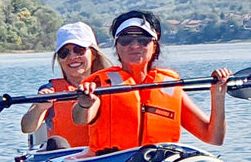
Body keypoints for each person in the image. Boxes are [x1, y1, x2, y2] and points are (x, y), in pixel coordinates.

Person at [72, 9, 230, 153]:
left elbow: (214, 138)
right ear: (117, 47)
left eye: (143, 40)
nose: (134, 46)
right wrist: (84, 103)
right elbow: (80, 119)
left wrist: (218, 96)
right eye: (126, 40)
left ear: (154, 46)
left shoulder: (169, 85)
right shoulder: (100, 84)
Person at [20, 22, 110, 150]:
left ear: (93, 54)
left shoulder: (111, 84)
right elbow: (27, 128)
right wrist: (40, 108)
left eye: (79, 50)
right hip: (64, 161)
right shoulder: (50, 89)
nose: (72, 57)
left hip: (108, 157)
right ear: (59, 59)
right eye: (64, 53)